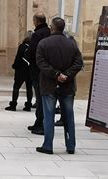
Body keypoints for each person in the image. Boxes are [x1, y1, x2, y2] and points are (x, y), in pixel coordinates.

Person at [35, 17, 83, 155]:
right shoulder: (72, 44)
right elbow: (78, 63)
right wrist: (66, 75)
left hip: (49, 85)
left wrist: (56, 74)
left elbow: (41, 62)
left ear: (52, 28)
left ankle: (48, 145)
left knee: (48, 116)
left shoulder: (43, 43)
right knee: (68, 116)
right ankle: (71, 145)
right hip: (67, 86)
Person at [27, 12, 51, 135]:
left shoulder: (37, 34)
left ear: (36, 21)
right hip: (49, 70)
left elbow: (32, 52)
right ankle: (41, 122)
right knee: (46, 97)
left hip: (38, 70)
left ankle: (40, 123)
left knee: (40, 97)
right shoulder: (50, 32)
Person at [5, 31, 33, 111]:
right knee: (29, 88)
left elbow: (18, 58)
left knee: (16, 87)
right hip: (30, 70)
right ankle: (28, 105)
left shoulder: (22, 46)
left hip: (21, 70)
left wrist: (14, 66)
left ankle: (13, 104)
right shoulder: (33, 47)